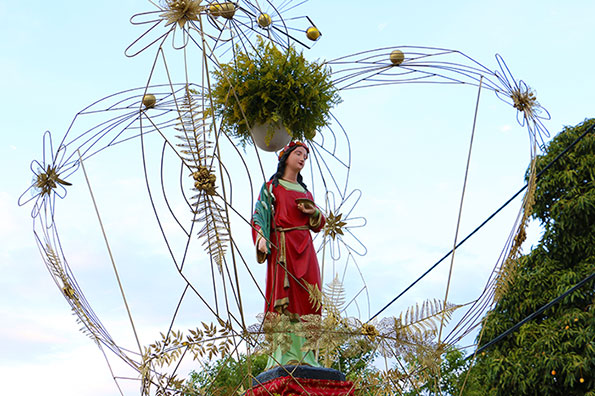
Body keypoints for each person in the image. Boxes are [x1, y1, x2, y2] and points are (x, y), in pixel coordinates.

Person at [252, 141, 325, 367]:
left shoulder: (306, 192)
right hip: (283, 248)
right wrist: (261, 239)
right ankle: (283, 355)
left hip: (305, 248)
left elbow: (319, 223)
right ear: (286, 157)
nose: (303, 159)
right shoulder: (272, 187)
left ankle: (308, 356)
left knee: (310, 298)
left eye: (305, 156)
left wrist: (313, 211)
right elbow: (258, 216)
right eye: (299, 154)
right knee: (286, 300)